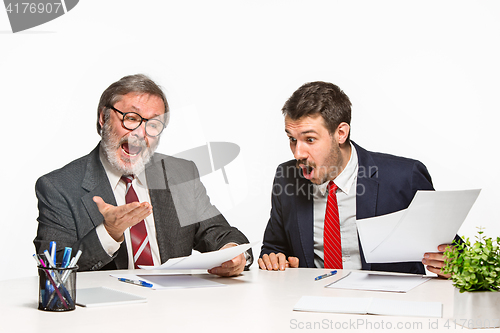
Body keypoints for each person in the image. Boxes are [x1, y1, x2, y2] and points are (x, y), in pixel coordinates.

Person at [34, 74, 251, 276]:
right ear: (103, 117)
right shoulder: (58, 186)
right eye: (131, 118)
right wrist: (109, 232)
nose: (140, 133)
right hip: (106, 314)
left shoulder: (180, 174)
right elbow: (52, 271)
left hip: (175, 308)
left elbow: (218, 232)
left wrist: (232, 252)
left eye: (153, 124)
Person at [258, 81, 451, 277]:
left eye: (309, 139)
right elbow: (273, 248)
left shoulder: (404, 177)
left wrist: (452, 262)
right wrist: (274, 259)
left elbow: (451, 249)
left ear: (341, 133)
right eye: (292, 139)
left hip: (387, 302)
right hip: (314, 300)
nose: (298, 153)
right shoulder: (287, 178)